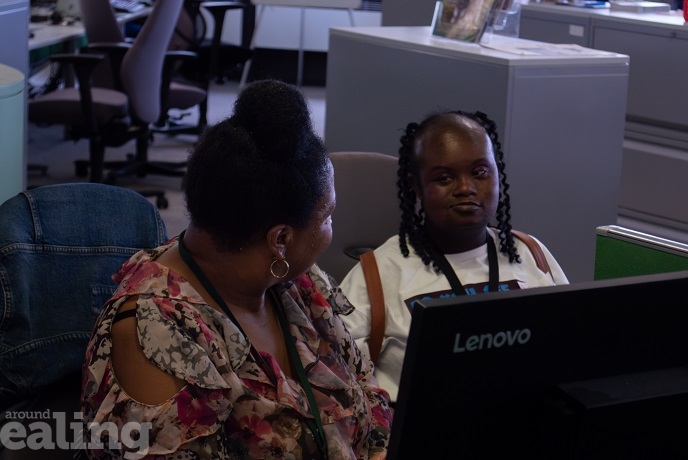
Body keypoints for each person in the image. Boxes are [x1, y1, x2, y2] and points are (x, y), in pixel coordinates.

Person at [81, 79, 392, 459]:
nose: (332, 229)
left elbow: (365, 389)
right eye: (327, 216)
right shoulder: (153, 336)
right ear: (280, 239)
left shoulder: (296, 281)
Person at [339, 109, 569, 404]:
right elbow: (338, 382)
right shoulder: (378, 274)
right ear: (416, 186)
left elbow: (568, 348)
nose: (465, 188)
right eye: (444, 177)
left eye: (479, 172)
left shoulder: (530, 253)